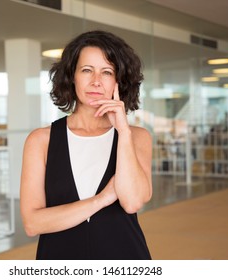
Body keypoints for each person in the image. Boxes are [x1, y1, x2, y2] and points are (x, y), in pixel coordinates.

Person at [20, 30, 153, 260]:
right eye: (86, 70)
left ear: (119, 81)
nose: (96, 81)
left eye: (107, 72)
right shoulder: (41, 141)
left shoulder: (136, 137)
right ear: (72, 76)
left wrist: (123, 131)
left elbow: (132, 202)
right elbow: (32, 223)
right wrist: (101, 199)